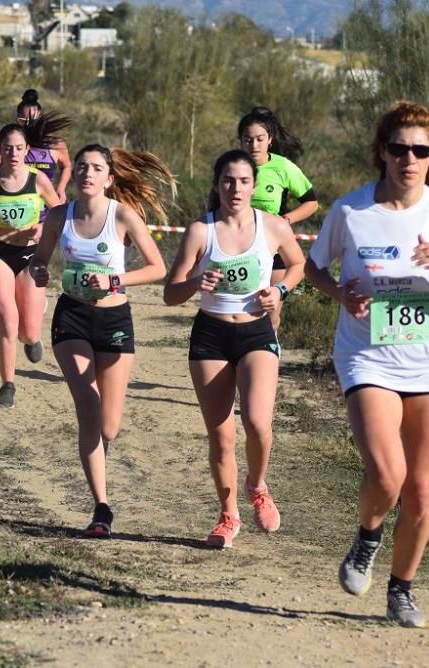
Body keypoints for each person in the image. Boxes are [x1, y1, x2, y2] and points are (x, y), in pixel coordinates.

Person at [304, 101, 429, 626]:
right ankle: (368, 539)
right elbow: (313, 266)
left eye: (420, 149)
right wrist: (340, 295)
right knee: (388, 474)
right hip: (367, 355)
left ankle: (402, 588)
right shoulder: (351, 211)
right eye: (398, 148)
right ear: (382, 153)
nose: (409, 158)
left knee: (420, 489)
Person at [29, 144, 174, 538]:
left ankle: (101, 473)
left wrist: (113, 281)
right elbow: (38, 259)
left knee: (108, 427)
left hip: (114, 318)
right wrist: (39, 270)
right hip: (71, 317)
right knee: (89, 408)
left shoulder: (122, 215)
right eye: (81, 167)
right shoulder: (60, 215)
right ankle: (101, 507)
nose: (87, 173)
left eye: (96, 168)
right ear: (73, 175)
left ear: (108, 178)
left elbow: (157, 268)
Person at [164, 149, 305, 549]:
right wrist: (195, 284)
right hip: (211, 336)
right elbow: (170, 294)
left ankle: (257, 485)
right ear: (217, 184)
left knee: (258, 424)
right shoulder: (200, 231)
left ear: (254, 186)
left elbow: (297, 265)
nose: (236, 188)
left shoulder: (274, 226)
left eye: (243, 181)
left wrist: (279, 291)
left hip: (256, 332)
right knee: (221, 436)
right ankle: (228, 516)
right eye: (228, 180)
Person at [0, 123, 62, 408]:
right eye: (7, 147)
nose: (13, 152)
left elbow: (58, 211)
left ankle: (33, 333)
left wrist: (41, 226)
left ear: (27, 151)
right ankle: (7, 386)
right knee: (7, 324)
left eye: (18, 147)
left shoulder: (38, 180)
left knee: (28, 332)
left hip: (30, 257)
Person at [237, 106, 318, 330]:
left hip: (274, 246)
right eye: (248, 139)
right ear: (240, 140)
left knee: (270, 311)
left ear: (270, 139)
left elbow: (311, 202)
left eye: (260, 139)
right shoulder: (234, 166)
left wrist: (286, 220)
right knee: (239, 309)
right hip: (238, 245)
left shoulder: (283, 166)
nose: (254, 145)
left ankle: (269, 355)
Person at [0, 89, 72, 204]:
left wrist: (61, 188)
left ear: (40, 117)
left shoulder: (55, 145)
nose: (28, 125)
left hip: (48, 209)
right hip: (17, 208)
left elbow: (66, 166)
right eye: (22, 121)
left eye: (33, 120)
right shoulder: (9, 148)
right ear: (17, 119)